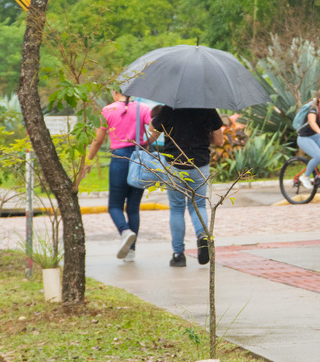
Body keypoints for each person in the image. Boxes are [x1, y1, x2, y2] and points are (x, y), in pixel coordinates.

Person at [148, 106, 224, 267]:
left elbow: (152, 135)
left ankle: (178, 255)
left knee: (176, 208)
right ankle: (203, 237)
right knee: (199, 205)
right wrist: (203, 138)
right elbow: (218, 140)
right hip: (200, 165)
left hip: (174, 165)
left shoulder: (169, 108)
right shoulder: (208, 109)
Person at [84, 91, 152, 262]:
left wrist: (88, 160)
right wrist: (146, 144)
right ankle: (131, 253)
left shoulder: (108, 110)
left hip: (120, 158)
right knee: (133, 207)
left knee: (115, 205)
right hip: (139, 157)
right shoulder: (143, 108)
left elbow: (98, 140)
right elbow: (155, 129)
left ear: (115, 92)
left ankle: (125, 231)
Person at [295, 93, 320, 187]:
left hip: (315, 136)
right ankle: (305, 176)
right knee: (319, 156)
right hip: (304, 138)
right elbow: (312, 123)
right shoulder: (313, 109)